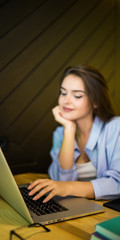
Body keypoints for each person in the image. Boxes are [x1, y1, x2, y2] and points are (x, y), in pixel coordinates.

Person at [28, 65, 120, 203]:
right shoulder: (61, 133)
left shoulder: (115, 127)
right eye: (63, 93)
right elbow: (58, 182)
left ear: (95, 102)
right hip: (75, 208)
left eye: (77, 95)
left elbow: (117, 184)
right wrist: (69, 130)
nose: (66, 101)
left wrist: (68, 187)